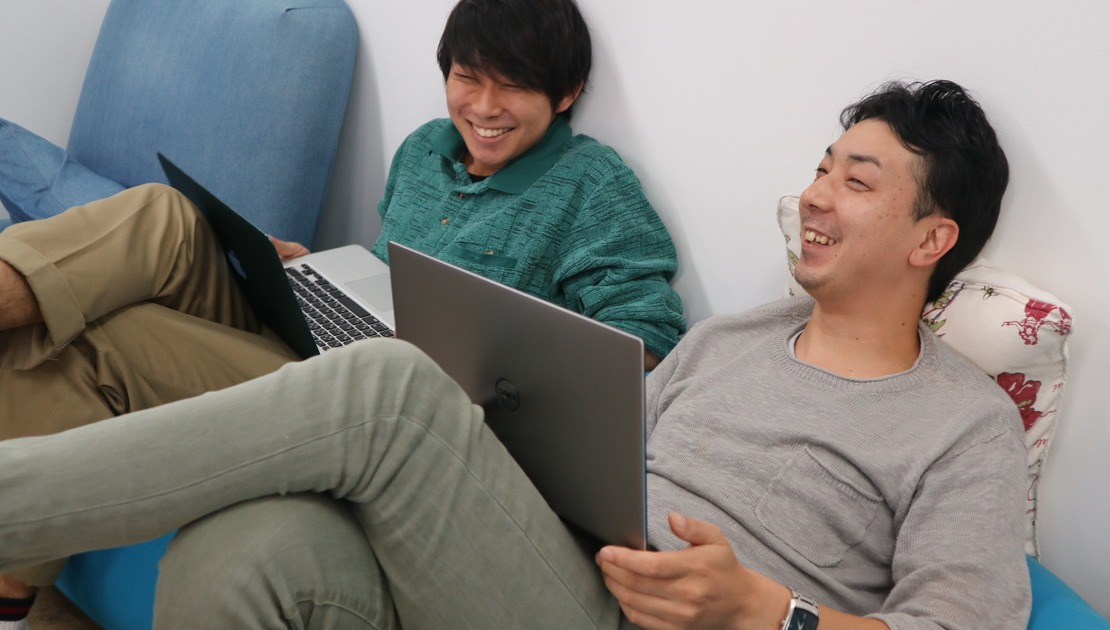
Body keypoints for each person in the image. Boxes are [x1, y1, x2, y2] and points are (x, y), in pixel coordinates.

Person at [0, 80, 1030, 629]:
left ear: (930, 240)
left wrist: (770, 614)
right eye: (821, 168)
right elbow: (602, 469)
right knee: (242, 550)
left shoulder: (964, 426)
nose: (812, 196)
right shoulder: (732, 340)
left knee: (388, 388)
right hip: (543, 570)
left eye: (855, 181)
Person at [0, 0, 686, 623]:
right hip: (327, 352)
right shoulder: (424, 149)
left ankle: (10, 574)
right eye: (467, 78)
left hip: (408, 419)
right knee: (167, 215)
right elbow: (395, 274)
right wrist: (311, 268)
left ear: (566, 93)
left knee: (105, 337)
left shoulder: (594, 188)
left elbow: (647, 342)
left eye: (513, 86)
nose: (484, 106)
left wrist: (497, 357)